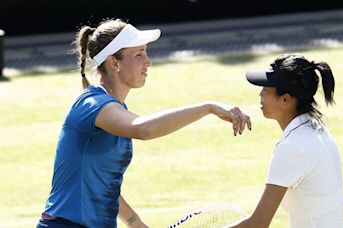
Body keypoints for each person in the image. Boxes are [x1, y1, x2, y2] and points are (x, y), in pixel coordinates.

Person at [37, 18, 251, 228]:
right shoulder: (92, 104)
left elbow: (102, 182)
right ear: (114, 63)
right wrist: (208, 107)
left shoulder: (115, 110)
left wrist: (135, 223)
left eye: (146, 52)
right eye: (139, 54)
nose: (148, 61)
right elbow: (144, 129)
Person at [229, 54, 343, 227]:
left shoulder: (292, 146)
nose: (260, 93)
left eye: (267, 89)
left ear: (285, 100)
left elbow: (258, 223)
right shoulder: (316, 129)